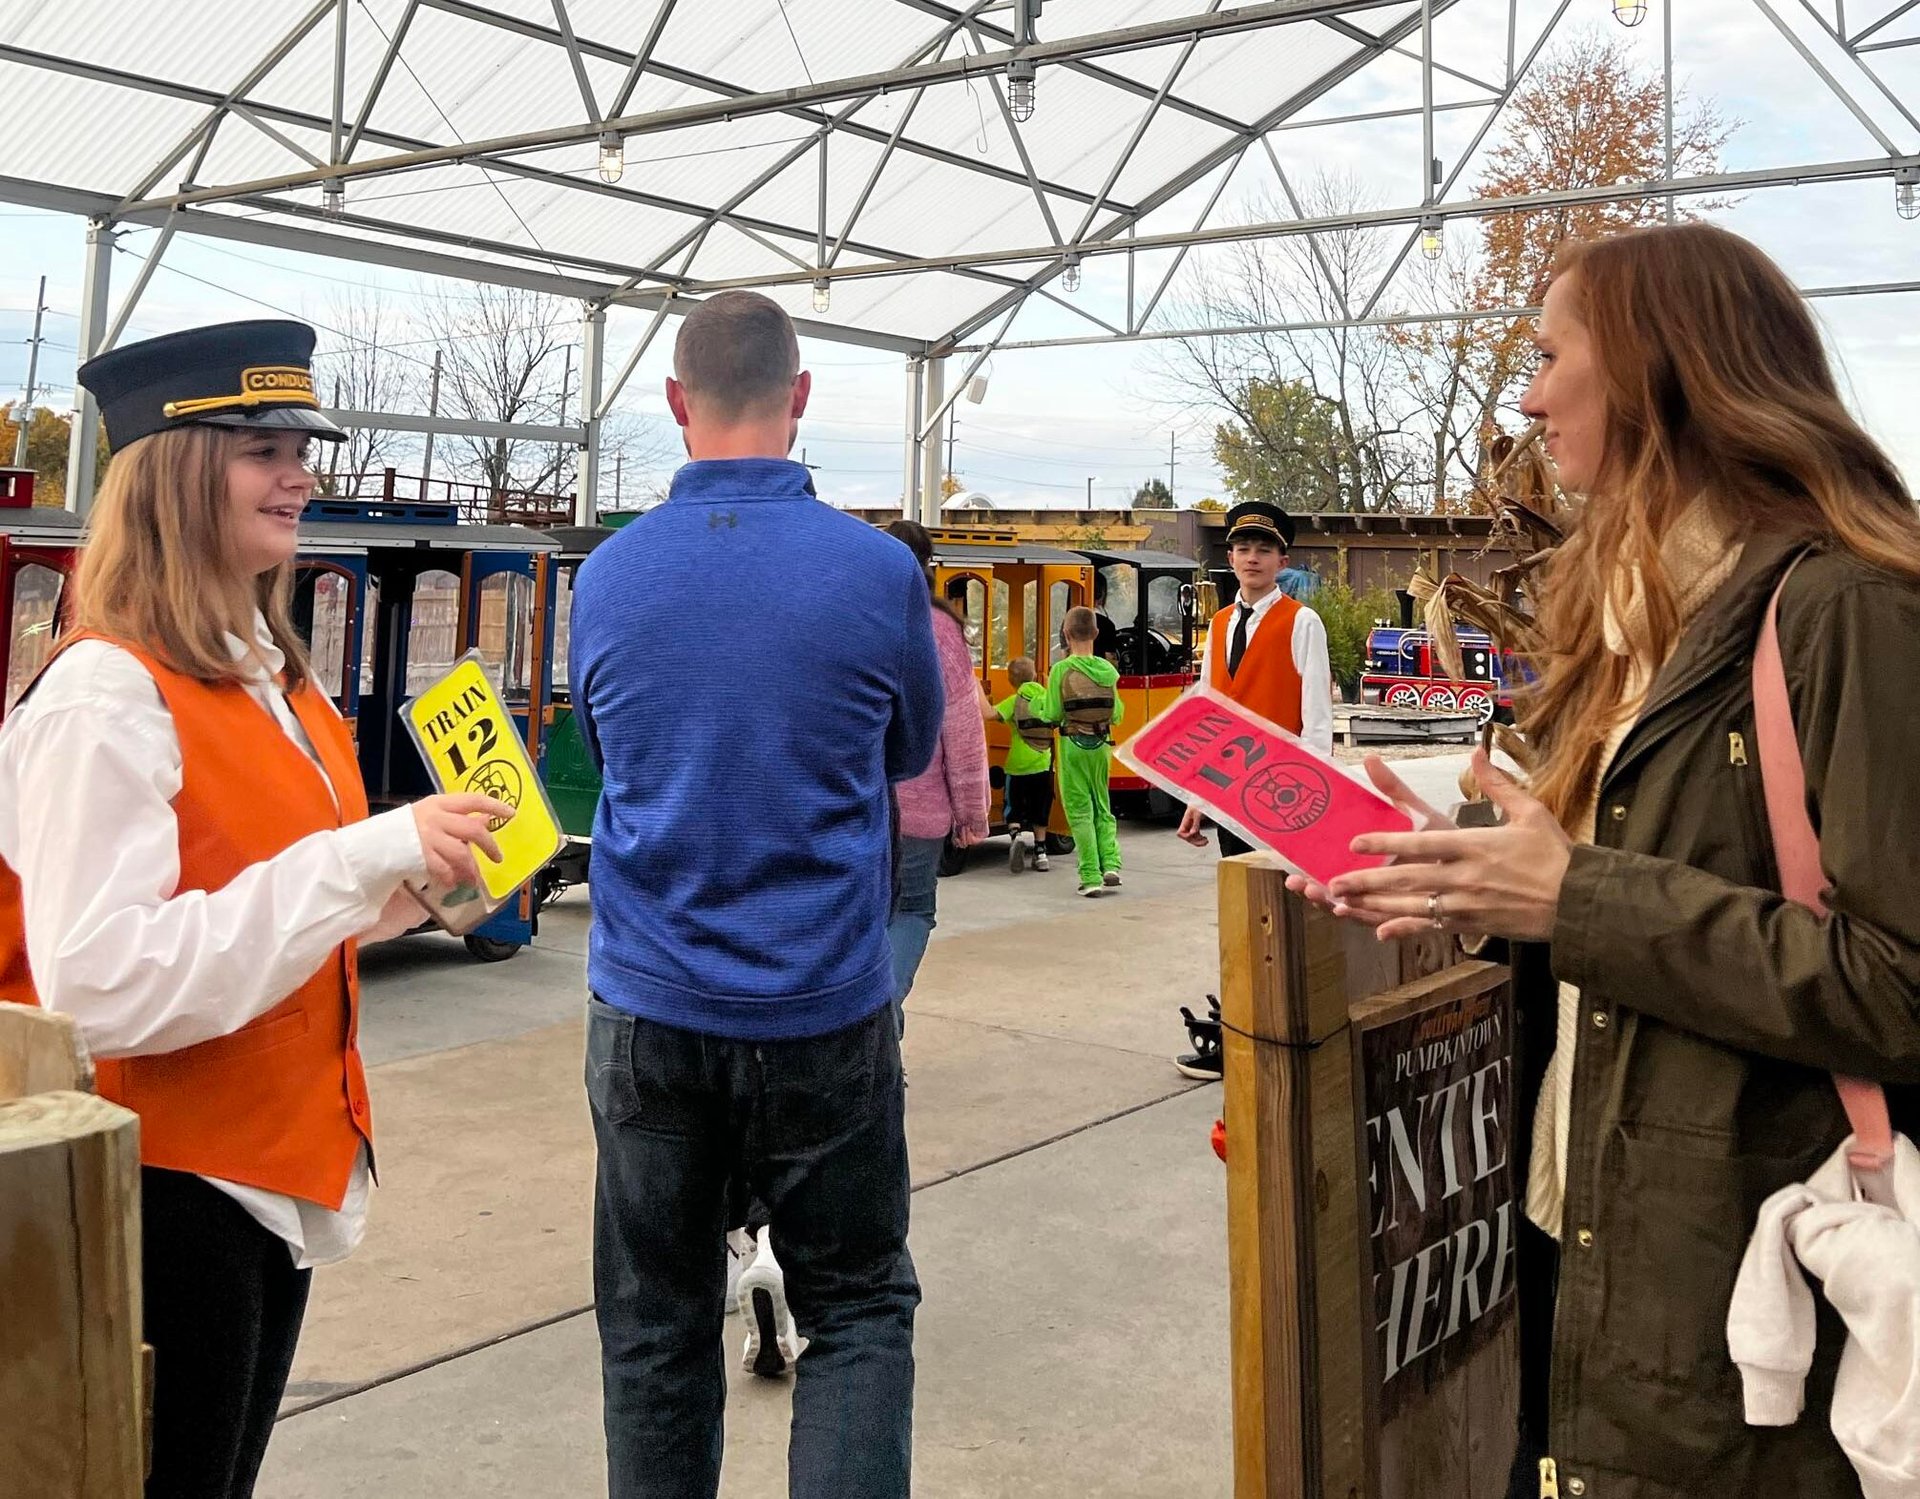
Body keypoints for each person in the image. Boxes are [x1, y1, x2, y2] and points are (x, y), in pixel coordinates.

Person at [1291, 224, 1920, 1498]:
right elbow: (1630, 896)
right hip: (1598, 1237)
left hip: (1763, 1285)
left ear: (1656, 370)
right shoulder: (1638, 620)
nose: (1524, 399)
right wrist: (1467, 889)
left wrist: (1573, 894)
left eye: (1547, 356)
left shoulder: (1850, 609)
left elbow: (1897, 980)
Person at [0, 320, 511, 1499]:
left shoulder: (269, 675)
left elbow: (263, 904)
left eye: (304, 443)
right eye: (262, 446)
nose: (304, 470)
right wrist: (359, 857)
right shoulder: (107, 691)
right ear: (175, 474)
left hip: (256, 1180)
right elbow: (97, 983)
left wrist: (404, 892)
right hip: (159, 1189)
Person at [569, 290, 943, 1499]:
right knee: (861, 1305)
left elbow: (615, 749)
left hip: (646, 1008)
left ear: (676, 402)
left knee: (654, 1326)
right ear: (802, 396)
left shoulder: (608, 575)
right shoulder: (879, 572)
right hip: (822, 1006)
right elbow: (903, 752)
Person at [1174, 499, 1333, 1079]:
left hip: (1282, 800)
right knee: (1244, 919)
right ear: (1230, 557)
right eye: (1242, 548)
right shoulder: (1217, 625)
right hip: (1230, 798)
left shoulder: (1301, 622)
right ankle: (1243, 1033)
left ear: (1281, 558)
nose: (1251, 557)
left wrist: (1312, 807)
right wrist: (1197, 795)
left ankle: (1279, 1032)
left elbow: (1317, 721)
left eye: (1263, 549)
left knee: (1281, 921)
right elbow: (1209, 713)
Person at [886, 519, 991, 1007]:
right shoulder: (941, 630)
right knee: (911, 912)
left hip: (851, 802)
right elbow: (963, 733)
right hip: (919, 809)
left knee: (862, 919)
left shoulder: (851, 616)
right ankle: (882, 1019)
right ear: (930, 566)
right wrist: (972, 815)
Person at [1041, 607, 1124, 897]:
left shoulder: (1061, 670)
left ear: (1065, 634)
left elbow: (1051, 711)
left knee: (1079, 812)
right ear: (1096, 634)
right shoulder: (1108, 671)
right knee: (1103, 806)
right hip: (1102, 746)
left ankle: (1090, 877)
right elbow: (1118, 715)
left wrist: (1039, 709)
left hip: (1072, 746)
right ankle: (1111, 864)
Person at [986, 655, 1054, 874]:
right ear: (1035, 675)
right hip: (1042, 763)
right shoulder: (1046, 697)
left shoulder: (1014, 701)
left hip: (1016, 765)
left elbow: (990, 714)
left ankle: (1015, 836)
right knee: (1040, 807)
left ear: (1010, 680)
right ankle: (1041, 852)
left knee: (1013, 806)